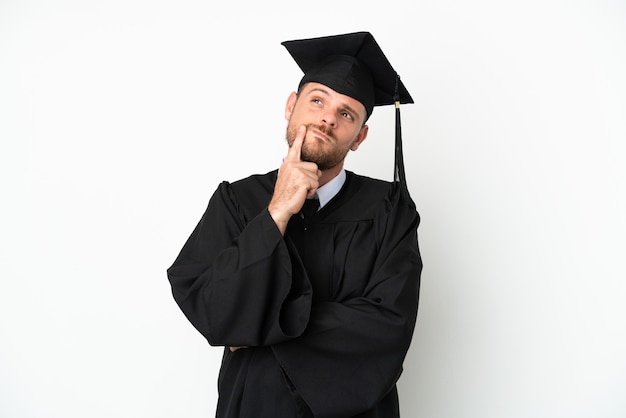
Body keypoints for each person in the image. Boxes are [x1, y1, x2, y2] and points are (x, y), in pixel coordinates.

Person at [167, 31, 422, 418]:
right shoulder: (237, 201)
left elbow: (387, 326)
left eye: (346, 113)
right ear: (291, 105)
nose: (327, 119)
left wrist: (260, 325)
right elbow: (213, 313)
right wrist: (277, 212)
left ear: (359, 137)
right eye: (317, 100)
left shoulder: (390, 210)